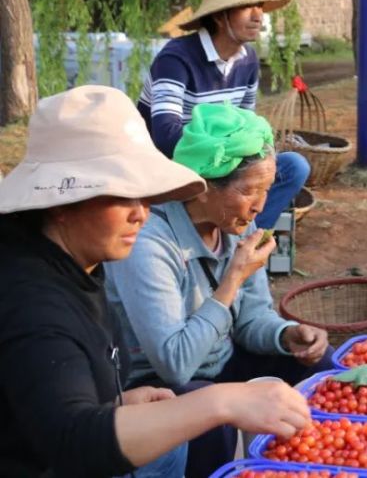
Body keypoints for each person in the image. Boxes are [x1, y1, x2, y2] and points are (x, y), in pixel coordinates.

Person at [0, 86, 310, 477]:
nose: (141, 215)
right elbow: (72, 439)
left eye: (146, 198)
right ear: (64, 204)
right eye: (124, 197)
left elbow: (47, 396)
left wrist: (117, 401)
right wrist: (220, 402)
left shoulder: (78, 266)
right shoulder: (32, 302)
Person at [105, 103, 332, 477]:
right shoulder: (149, 243)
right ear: (203, 187)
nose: (259, 206)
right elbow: (174, 365)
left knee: (316, 365)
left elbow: (251, 320)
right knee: (210, 419)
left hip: (220, 360)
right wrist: (231, 281)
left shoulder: (236, 223)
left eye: (267, 190)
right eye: (249, 191)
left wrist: (285, 334)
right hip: (158, 384)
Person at [137, 0, 309, 230]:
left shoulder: (248, 60)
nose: (258, 17)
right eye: (246, 7)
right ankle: (234, 237)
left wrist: (258, 157)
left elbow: (247, 125)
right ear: (219, 16)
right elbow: (167, 137)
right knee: (244, 179)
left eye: (260, 7)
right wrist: (231, 161)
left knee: (293, 167)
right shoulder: (176, 58)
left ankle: (246, 234)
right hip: (174, 166)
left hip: (225, 167)